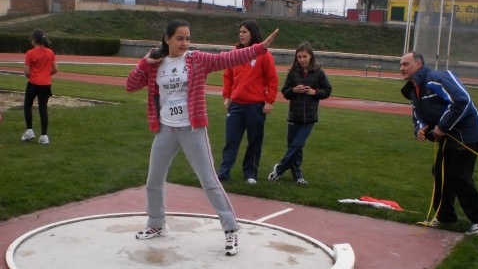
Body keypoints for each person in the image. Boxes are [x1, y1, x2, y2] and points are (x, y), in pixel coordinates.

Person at [126, 18, 279, 256]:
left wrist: (260, 48)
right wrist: (144, 63)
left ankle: (231, 230)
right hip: (165, 129)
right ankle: (156, 223)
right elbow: (131, 85)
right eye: (180, 38)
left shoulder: (196, 59)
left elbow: (228, 59)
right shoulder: (157, 64)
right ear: (167, 39)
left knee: (209, 181)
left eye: (188, 38)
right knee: (153, 180)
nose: (185, 43)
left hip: (192, 128)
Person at [400, 51, 478, 235]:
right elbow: (418, 115)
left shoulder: (436, 78)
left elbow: (462, 101)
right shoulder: (414, 88)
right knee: (440, 173)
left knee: (459, 176)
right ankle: (445, 216)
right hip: (447, 137)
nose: (401, 68)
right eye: (400, 65)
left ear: (419, 64)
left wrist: (442, 126)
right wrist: (419, 129)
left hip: (466, 134)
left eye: (405, 64)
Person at [217, 20, 278, 185]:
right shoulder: (235, 53)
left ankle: (250, 173)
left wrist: (269, 101)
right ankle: (224, 173)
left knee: (254, 140)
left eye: (244, 32)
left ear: (252, 33)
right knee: (231, 140)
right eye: (240, 31)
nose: (241, 34)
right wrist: (227, 96)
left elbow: (272, 79)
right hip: (236, 104)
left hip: (255, 105)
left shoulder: (264, 54)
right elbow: (228, 76)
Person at [268, 42, 332, 186]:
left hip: (309, 117)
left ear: (311, 56)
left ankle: (279, 169)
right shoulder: (293, 73)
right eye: (299, 57)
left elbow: (327, 90)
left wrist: (314, 92)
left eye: (305, 56)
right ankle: (298, 176)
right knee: (295, 148)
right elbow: (285, 92)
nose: (302, 60)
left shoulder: (319, 73)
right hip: (294, 115)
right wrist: (294, 90)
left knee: (297, 145)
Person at [21, 28, 58, 144]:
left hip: (33, 83)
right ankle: (44, 136)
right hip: (46, 84)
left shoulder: (30, 53)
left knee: (27, 105)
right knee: (43, 109)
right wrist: (46, 74)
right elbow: (56, 69)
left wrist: (33, 76)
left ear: (33, 40)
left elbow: (26, 72)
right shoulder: (50, 52)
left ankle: (29, 131)